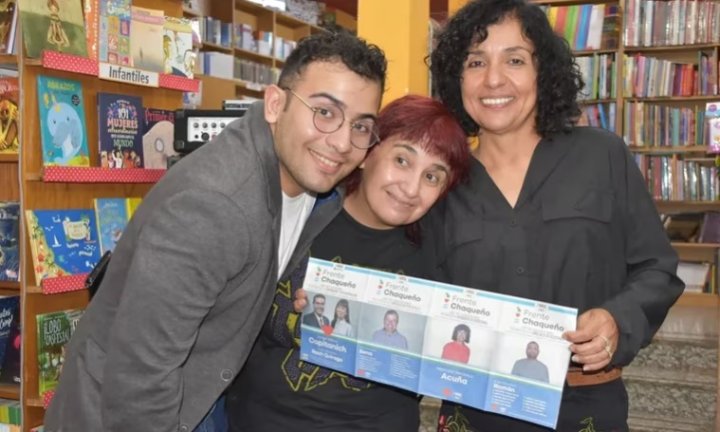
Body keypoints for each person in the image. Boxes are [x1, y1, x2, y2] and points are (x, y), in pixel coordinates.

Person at [44, 31, 387, 432]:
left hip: (202, 392)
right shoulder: (215, 205)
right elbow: (140, 375)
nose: (342, 143)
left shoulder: (316, 186)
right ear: (275, 104)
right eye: (325, 112)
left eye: (361, 126)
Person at [425, 1, 684, 431]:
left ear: (542, 72)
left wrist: (618, 319)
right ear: (457, 77)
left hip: (586, 407)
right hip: (473, 410)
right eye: (475, 61)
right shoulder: (440, 184)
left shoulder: (602, 156)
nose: (493, 79)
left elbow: (656, 268)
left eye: (514, 60)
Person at [225, 94, 471, 432]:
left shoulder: (441, 253)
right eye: (402, 160)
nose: (411, 188)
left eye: (433, 177)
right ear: (367, 153)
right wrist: (286, 312)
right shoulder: (300, 213)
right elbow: (225, 309)